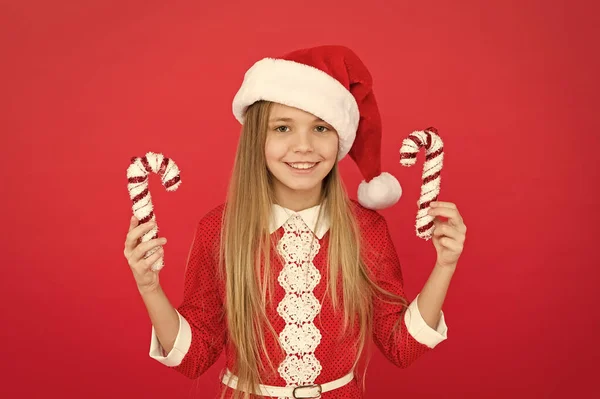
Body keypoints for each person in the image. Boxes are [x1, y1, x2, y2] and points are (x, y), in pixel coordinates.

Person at [123, 45, 467, 399]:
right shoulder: (219, 230)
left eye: (320, 128)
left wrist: (445, 265)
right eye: (283, 127)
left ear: (340, 139)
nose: (303, 146)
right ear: (258, 138)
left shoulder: (365, 229)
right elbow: (193, 358)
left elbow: (401, 347)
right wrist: (149, 287)